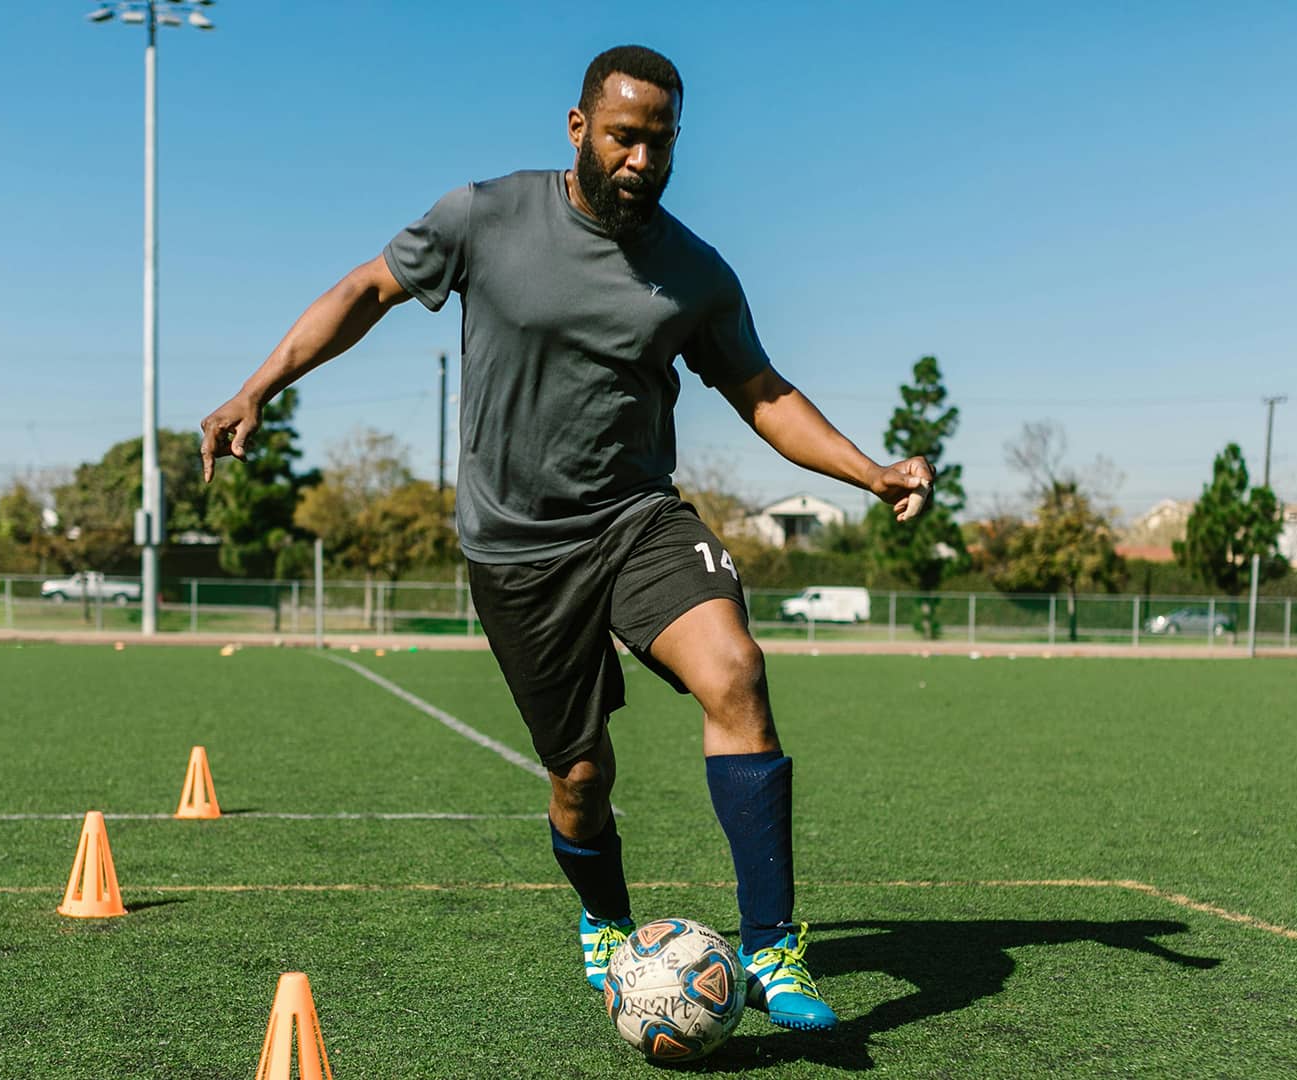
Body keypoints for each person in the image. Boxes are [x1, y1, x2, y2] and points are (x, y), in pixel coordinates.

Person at [200, 44, 933, 1032]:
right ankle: (604, 919)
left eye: (661, 143)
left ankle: (774, 948)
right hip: (515, 547)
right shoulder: (483, 216)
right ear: (580, 127)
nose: (642, 159)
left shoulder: (695, 273)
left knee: (738, 672)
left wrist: (869, 471)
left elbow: (763, 394)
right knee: (581, 778)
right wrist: (257, 390)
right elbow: (365, 292)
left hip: (637, 518)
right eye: (625, 136)